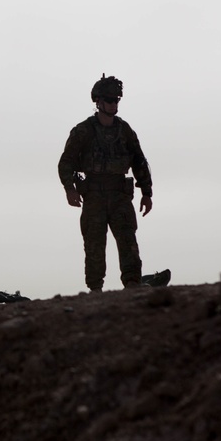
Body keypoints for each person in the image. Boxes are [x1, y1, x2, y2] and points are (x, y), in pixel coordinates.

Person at [57, 74, 153, 293]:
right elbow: (66, 162)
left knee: (128, 240)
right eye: (109, 99)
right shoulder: (83, 131)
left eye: (116, 99)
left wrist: (146, 192)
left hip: (119, 193)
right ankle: (95, 290)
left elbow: (139, 160)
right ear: (98, 101)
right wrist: (69, 189)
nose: (113, 104)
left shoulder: (125, 130)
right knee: (94, 245)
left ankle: (132, 285)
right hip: (93, 195)